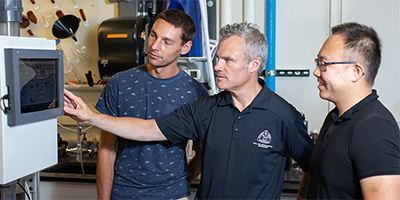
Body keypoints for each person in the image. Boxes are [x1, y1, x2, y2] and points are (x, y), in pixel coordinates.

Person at [64, 22, 314, 199]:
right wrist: (90, 116)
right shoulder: (205, 109)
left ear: (254, 64)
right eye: (217, 58)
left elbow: (314, 169)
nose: (217, 66)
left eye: (227, 60)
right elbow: (146, 129)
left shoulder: (284, 116)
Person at [95, 9, 208, 200]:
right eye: (153, 35)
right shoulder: (119, 83)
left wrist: (178, 185)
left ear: (185, 47)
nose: (155, 46)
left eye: (167, 42)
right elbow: (107, 150)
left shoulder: (195, 93)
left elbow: (202, 153)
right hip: (123, 193)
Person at [308, 22, 400, 199]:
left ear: (356, 71)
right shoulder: (334, 118)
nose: (316, 72)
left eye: (324, 64)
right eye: (317, 62)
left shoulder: (374, 127)